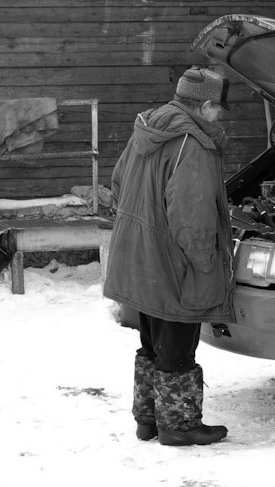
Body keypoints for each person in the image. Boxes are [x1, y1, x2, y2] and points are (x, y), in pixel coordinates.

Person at [103, 66, 235, 446]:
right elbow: (191, 217)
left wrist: (142, 230)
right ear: (205, 105)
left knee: (151, 342)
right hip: (174, 263)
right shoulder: (191, 144)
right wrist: (206, 264)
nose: (220, 115)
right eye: (218, 108)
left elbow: (117, 182)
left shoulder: (148, 129)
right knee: (177, 342)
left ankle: (148, 420)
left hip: (138, 258)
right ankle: (178, 426)